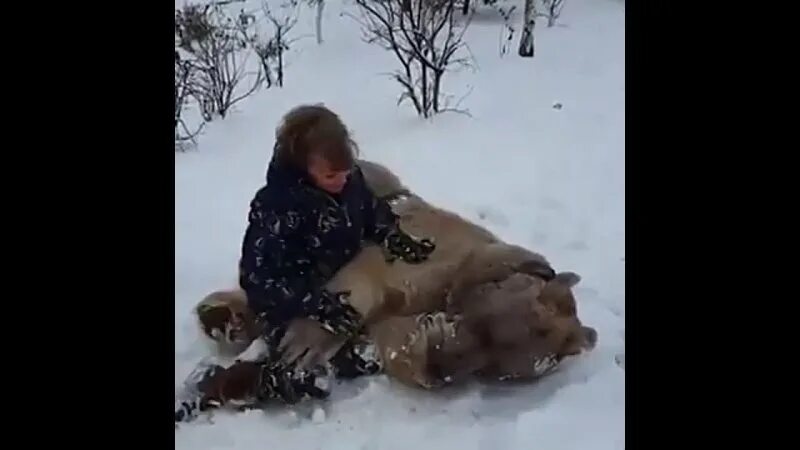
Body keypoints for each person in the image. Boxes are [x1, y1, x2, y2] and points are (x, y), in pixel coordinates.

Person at [176, 105, 435, 421]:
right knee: (302, 375)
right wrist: (314, 304)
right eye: (331, 175)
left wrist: (393, 236)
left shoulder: (350, 183)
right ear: (303, 167)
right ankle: (217, 382)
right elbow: (258, 278)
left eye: (346, 172)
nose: (341, 180)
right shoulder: (278, 207)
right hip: (288, 299)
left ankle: (330, 355)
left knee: (364, 350)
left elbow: (370, 211)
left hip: (338, 284)